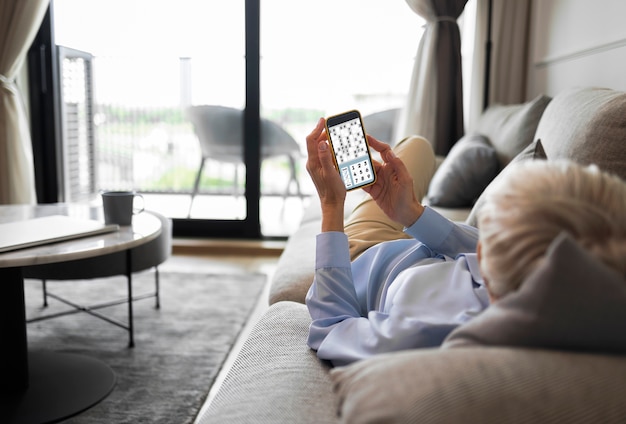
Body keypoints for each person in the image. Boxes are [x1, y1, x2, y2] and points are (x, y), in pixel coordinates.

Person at [304, 117, 626, 367]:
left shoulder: (422, 332)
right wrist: (411, 213)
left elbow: (331, 328)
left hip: (362, 256)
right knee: (418, 145)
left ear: (485, 256)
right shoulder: (534, 278)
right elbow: (476, 248)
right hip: (412, 233)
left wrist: (332, 205)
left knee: (414, 146)